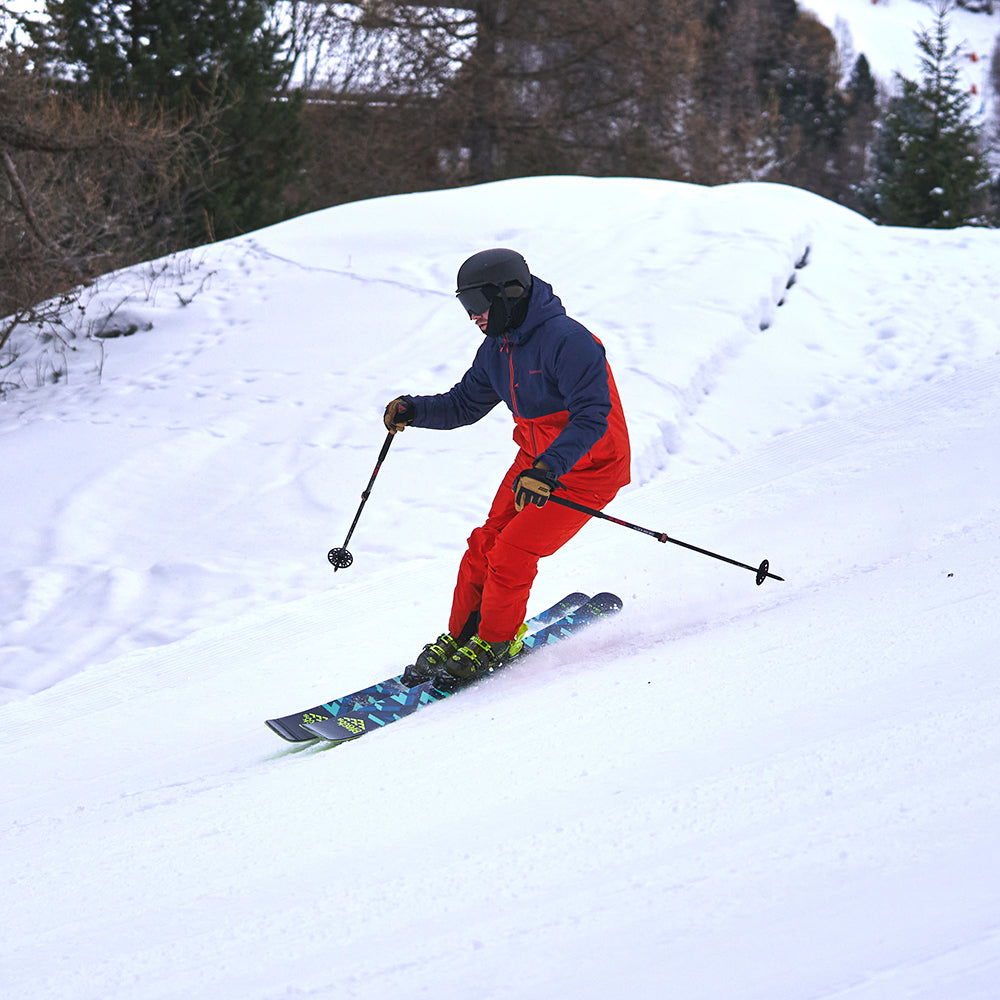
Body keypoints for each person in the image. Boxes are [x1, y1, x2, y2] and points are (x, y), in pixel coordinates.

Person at [385, 248, 631, 686]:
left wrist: (550, 467)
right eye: (466, 306)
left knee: (512, 550)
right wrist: (414, 410)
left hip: (588, 466)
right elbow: (464, 404)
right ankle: (463, 636)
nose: (474, 316)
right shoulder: (497, 350)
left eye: (478, 304)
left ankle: (497, 640)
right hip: (537, 462)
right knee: (485, 542)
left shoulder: (569, 341)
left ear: (509, 294)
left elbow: (593, 416)